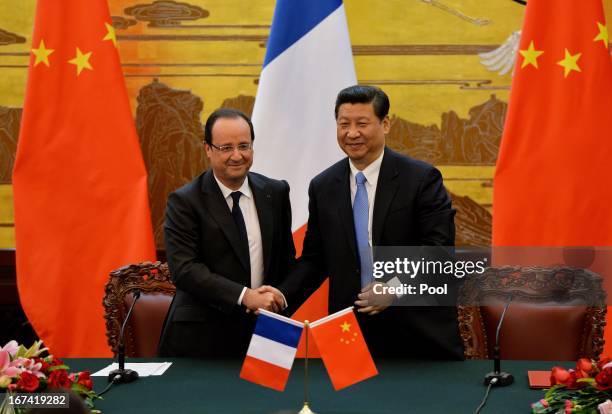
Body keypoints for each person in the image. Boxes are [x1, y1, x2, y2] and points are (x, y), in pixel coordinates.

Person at [276, 85, 464, 358]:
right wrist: (280, 297)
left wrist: (392, 289)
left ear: (385, 124)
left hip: (417, 331)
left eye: (362, 123)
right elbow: (315, 260)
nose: (352, 133)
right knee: (350, 402)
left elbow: (437, 251)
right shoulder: (324, 186)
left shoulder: (421, 179)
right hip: (349, 332)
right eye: (344, 124)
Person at [158, 108, 292, 357]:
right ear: (208, 148)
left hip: (268, 331)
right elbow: (184, 269)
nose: (237, 156)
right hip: (204, 337)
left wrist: (278, 296)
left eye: (244, 146)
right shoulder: (185, 201)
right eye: (226, 147)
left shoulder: (276, 192)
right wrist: (245, 296)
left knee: (273, 397)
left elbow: (285, 260)